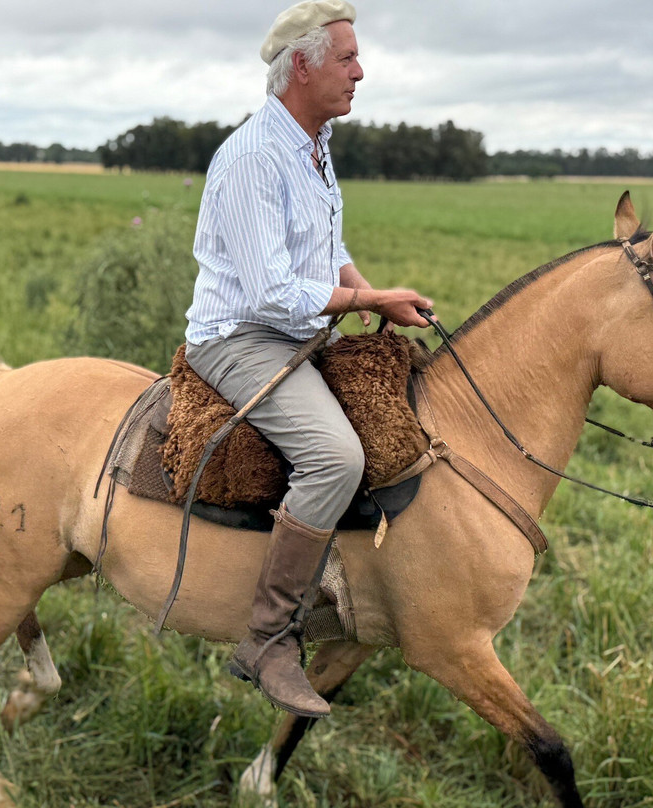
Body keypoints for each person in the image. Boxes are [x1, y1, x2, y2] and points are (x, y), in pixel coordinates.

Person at [183, 0, 434, 718]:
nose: (361, 71)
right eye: (348, 57)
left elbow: (323, 254)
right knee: (336, 457)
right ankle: (266, 638)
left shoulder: (315, 144)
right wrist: (374, 295)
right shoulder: (257, 155)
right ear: (302, 64)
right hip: (241, 337)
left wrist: (372, 297)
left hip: (296, 331)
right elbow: (269, 292)